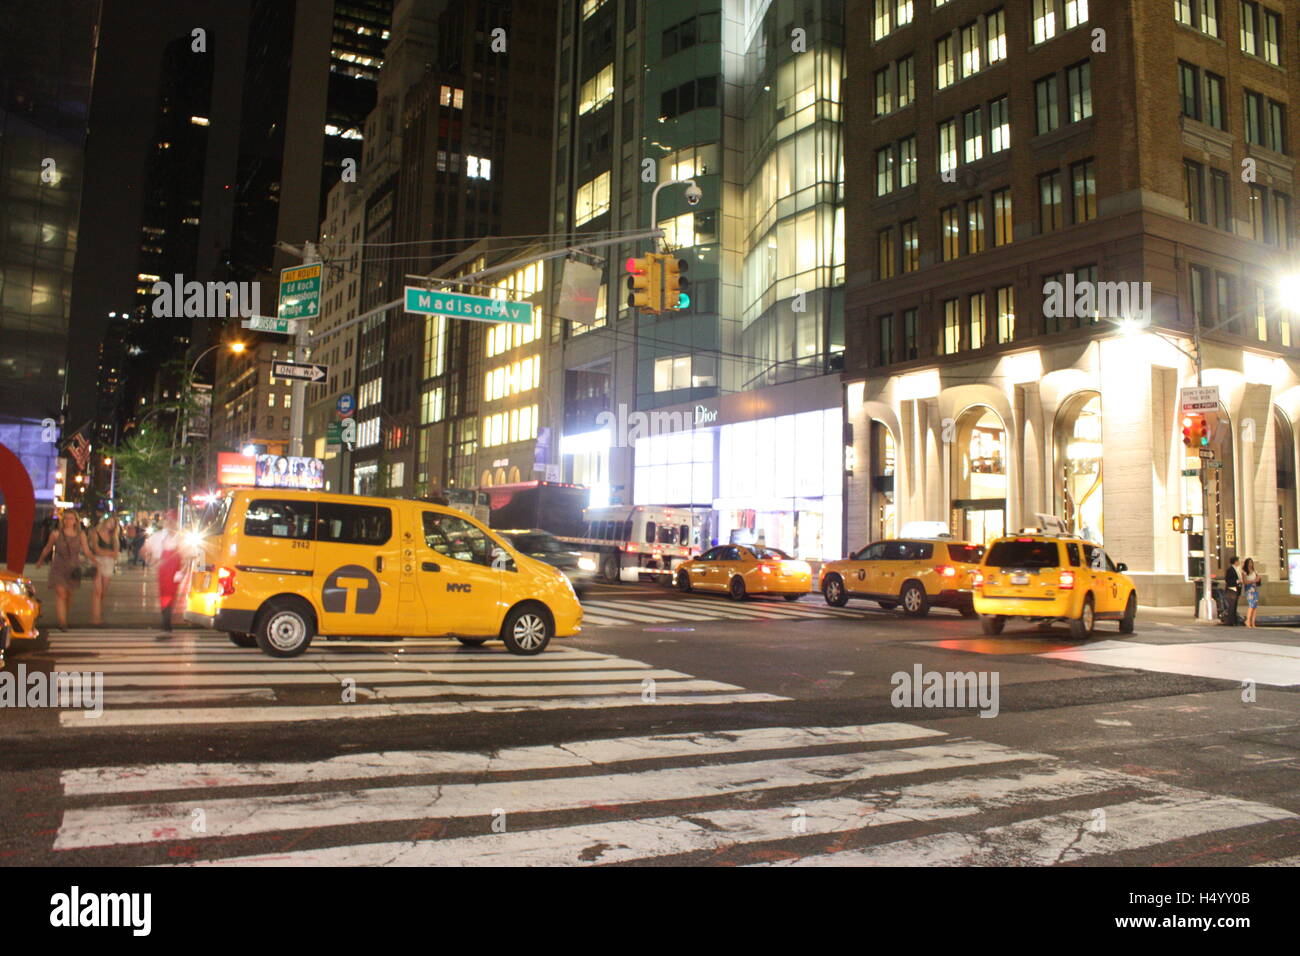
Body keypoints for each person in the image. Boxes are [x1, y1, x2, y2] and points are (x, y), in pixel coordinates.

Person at [34, 510, 91, 630]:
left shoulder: (81, 535)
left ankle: (64, 615)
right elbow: (47, 548)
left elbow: (86, 551)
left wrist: (95, 562)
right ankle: (62, 622)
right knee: (61, 594)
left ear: (76, 520)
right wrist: (40, 560)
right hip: (59, 566)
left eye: (71, 518)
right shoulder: (56, 534)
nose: (68, 521)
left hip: (73, 567)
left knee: (69, 595)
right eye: (66, 518)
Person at [143, 510, 186, 640]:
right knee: (165, 595)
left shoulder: (182, 537)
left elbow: (193, 554)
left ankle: (166, 623)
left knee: (170, 596)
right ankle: (166, 623)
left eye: (173, 521)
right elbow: (144, 550)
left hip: (175, 571)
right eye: (168, 520)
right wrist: (152, 562)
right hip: (164, 570)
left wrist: (183, 571)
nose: (170, 523)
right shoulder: (159, 536)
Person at [88, 513, 121, 626]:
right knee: (98, 591)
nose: (111, 525)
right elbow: (96, 550)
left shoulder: (114, 537)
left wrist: (109, 553)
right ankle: (96, 618)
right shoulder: (95, 533)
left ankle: (98, 612)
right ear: (105, 521)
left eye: (113, 523)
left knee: (103, 592)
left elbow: (116, 553)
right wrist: (110, 553)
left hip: (109, 564)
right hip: (97, 562)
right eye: (110, 522)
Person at [1242, 558, 1262, 628]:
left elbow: (1258, 580)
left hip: (1255, 589)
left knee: (1255, 606)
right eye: (1249, 563)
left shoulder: (1255, 571)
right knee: (1251, 605)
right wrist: (1254, 580)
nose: (1250, 564)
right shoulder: (1244, 572)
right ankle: (1247, 621)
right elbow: (1245, 582)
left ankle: (1253, 622)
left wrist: (1258, 579)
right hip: (1249, 589)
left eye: (1251, 563)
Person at [1223, 556, 1241, 626]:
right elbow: (1228, 580)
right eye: (1238, 561)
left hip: (1236, 589)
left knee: (1234, 606)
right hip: (1231, 590)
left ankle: (1234, 620)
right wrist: (1237, 581)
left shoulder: (1236, 569)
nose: (1239, 562)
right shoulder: (1230, 570)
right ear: (1235, 561)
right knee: (1232, 606)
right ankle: (1230, 621)